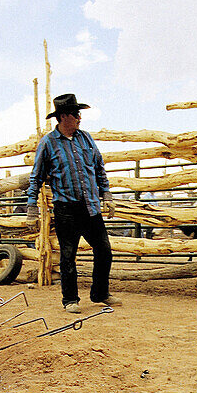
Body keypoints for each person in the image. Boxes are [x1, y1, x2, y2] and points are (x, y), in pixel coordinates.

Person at [26, 93, 119, 314]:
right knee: (68, 256)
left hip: (90, 206)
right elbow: (36, 176)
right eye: (76, 114)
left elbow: (99, 168)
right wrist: (31, 208)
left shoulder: (85, 138)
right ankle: (70, 299)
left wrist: (107, 195)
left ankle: (100, 293)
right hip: (66, 208)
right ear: (64, 116)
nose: (79, 118)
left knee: (104, 251)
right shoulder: (48, 143)